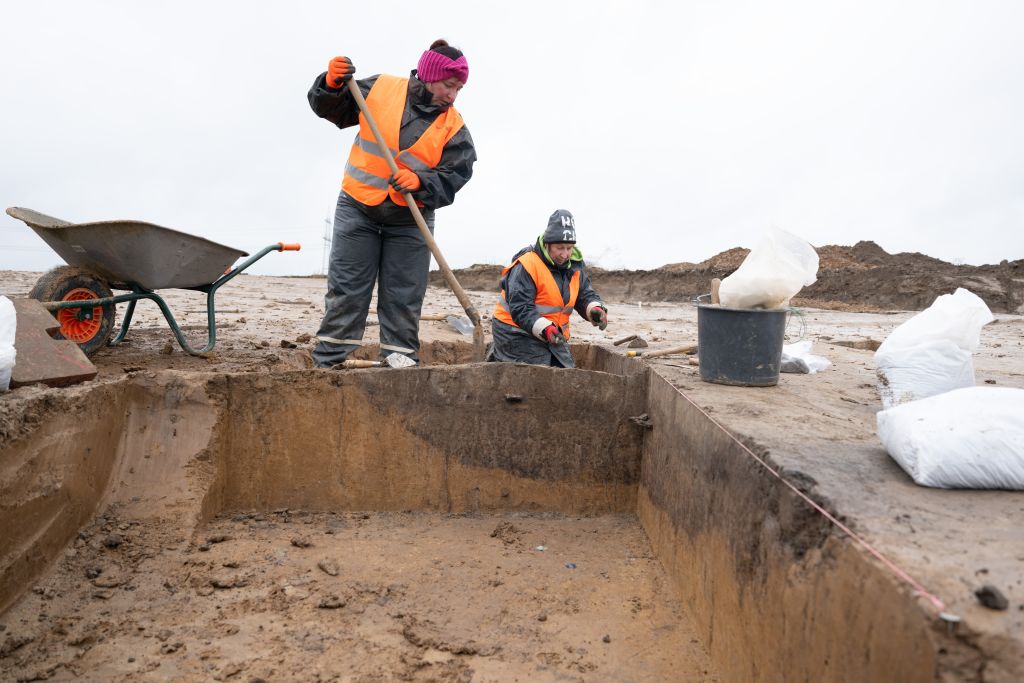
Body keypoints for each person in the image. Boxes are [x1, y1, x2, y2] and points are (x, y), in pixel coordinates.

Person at [308, 39, 477, 368]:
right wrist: (329, 84)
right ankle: (328, 366)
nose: (453, 95)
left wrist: (421, 182)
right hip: (358, 209)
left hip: (410, 223)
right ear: (429, 75)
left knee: (404, 298)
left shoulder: (454, 127)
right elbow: (334, 109)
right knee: (347, 291)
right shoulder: (381, 88)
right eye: (448, 85)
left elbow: (457, 174)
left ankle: (399, 366)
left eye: (459, 88)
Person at [489, 210, 608, 368]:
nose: (565, 254)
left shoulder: (575, 265)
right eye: (560, 248)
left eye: (569, 248)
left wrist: (594, 308)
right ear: (547, 244)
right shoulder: (527, 264)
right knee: (538, 373)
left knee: (566, 370)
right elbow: (521, 308)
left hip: (550, 333)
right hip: (513, 331)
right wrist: (544, 328)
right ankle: (499, 357)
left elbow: (585, 294)